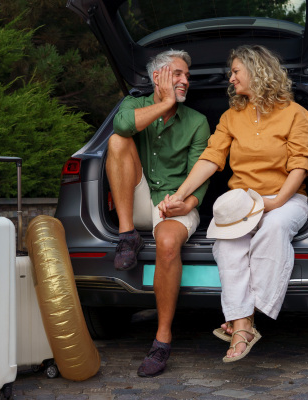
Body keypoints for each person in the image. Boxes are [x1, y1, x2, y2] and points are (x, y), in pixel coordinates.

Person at [159, 44, 308, 362]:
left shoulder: (298, 115)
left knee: (273, 228)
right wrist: (179, 195)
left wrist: (276, 201)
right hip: (241, 204)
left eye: (235, 72)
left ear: (257, 71)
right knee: (226, 246)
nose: (230, 78)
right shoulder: (231, 117)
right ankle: (243, 325)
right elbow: (210, 159)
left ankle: (243, 320)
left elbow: (300, 165)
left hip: (287, 199)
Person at [106, 49, 210, 376]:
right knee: (117, 141)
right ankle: (127, 236)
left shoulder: (197, 122)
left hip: (176, 200)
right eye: (177, 74)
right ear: (158, 78)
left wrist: (186, 202)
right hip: (137, 198)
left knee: (167, 244)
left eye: (187, 76)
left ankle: (162, 339)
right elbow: (122, 126)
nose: (185, 81)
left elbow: (201, 175)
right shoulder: (134, 104)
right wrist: (165, 104)